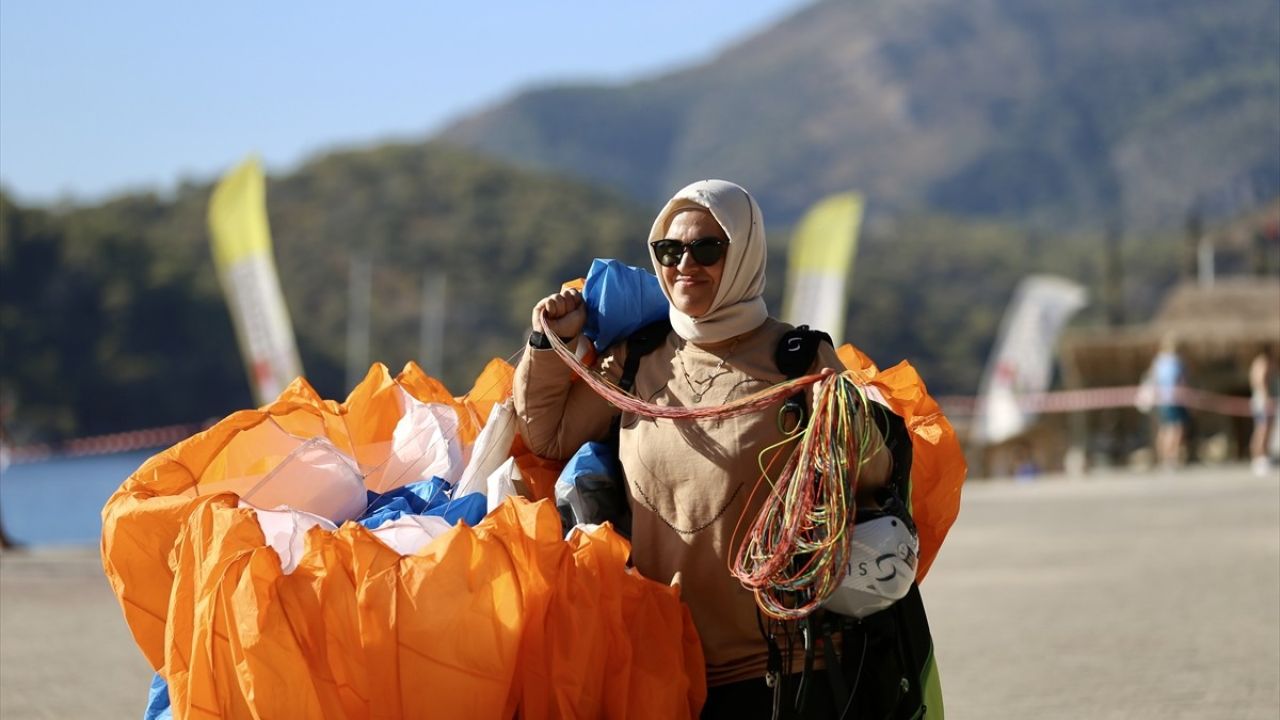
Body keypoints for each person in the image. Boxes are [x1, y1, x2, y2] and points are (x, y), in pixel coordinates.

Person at [514, 180, 893, 718]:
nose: (685, 264)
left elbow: (872, 473)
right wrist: (549, 340)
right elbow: (546, 435)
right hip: (664, 667)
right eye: (670, 251)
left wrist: (840, 411)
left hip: (785, 667)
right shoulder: (635, 359)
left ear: (743, 253)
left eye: (707, 249)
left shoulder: (798, 356)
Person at [1149, 334, 1188, 469]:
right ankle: (1172, 457)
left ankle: (1164, 458)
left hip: (1162, 400)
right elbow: (1181, 381)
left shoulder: (1158, 361)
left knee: (1164, 429)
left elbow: (1154, 381)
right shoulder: (1176, 362)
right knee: (1176, 429)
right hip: (1175, 399)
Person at [1248, 351, 1274, 477]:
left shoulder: (1257, 363)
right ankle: (1259, 458)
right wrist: (1266, 398)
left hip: (1259, 400)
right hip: (1262, 401)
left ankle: (1260, 458)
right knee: (1263, 430)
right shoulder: (1263, 363)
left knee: (1261, 429)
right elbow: (1261, 381)